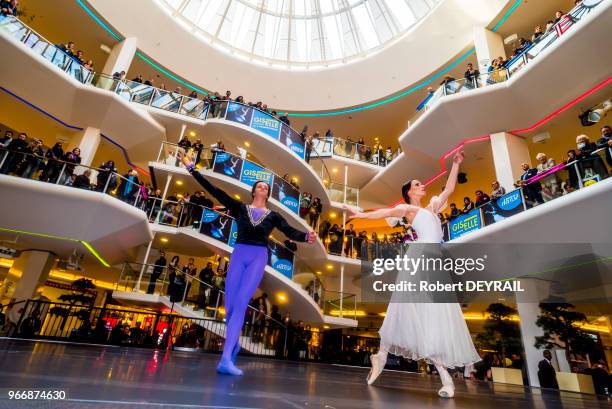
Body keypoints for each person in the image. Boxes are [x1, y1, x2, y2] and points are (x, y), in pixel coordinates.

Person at [346, 151, 480, 398]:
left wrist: (455, 164)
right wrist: (363, 214)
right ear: (409, 191)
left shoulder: (432, 207)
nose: (422, 185)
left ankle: (382, 355)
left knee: (428, 313)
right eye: (417, 184)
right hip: (420, 259)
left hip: (435, 261)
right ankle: (444, 377)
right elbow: (385, 213)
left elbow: (449, 189)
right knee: (413, 309)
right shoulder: (408, 209)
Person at [179, 149, 315, 376]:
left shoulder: (273, 216)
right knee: (230, 306)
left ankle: (225, 360)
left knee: (241, 303)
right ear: (253, 191)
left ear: (268, 194)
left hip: (258, 256)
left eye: (266, 187)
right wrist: (193, 170)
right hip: (239, 253)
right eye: (260, 185)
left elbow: (288, 230)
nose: (263, 187)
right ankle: (234, 344)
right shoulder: (240, 208)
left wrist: (305, 237)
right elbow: (215, 191)